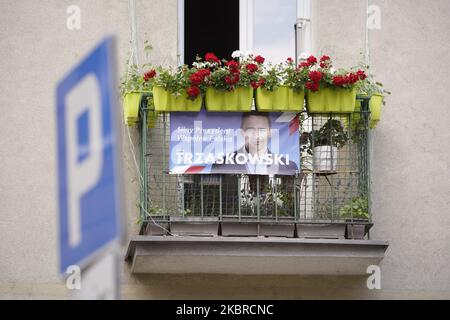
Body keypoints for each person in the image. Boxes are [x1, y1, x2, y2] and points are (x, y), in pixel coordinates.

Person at [210, 112, 299, 175]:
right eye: (250, 130)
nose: (256, 136)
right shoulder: (221, 164)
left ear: (270, 132)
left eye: (262, 130)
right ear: (242, 132)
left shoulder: (288, 166)